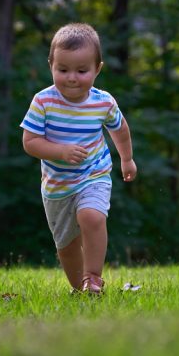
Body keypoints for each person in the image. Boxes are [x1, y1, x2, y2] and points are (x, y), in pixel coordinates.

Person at [20, 23, 137, 294]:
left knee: (91, 216)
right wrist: (60, 152)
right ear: (51, 65)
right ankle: (81, 288)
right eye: (63, 70)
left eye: (82, 71)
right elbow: (30, 142)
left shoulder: (103, 102)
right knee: (66, 245)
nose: (72, 78)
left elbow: (119, 128)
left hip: (93, 174)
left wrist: (127, 159)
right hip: (57, 187)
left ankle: (93, 277)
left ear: (97, 69)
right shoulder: (43, 102)